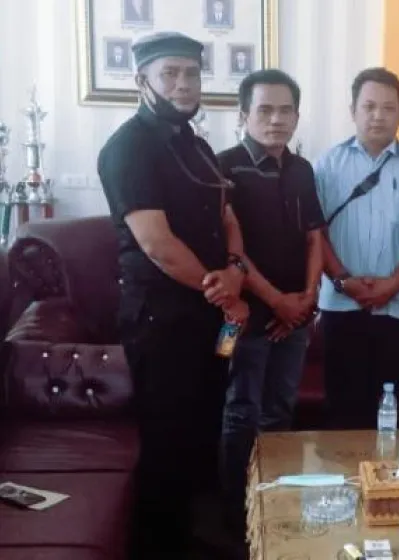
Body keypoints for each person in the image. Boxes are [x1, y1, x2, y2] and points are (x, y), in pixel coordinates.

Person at [96, 32, 250, 559]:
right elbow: (158, 245)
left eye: (191, 73)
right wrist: (225, 293)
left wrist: (235, 269)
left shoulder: (198, 146)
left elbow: (228, 216)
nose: (183, 84)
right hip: (161, 321)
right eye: (170, 74)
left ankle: (199, 537)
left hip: (209, 316)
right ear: (142, 80)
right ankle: (159, 548)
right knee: (167, 441)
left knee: (205, 428)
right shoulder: (127, 148)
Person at [217, 69, 325, 541]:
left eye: (285, 110)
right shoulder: (223, 168)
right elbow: (232, 252)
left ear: (297, 117)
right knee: (240, 411)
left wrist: (308, 298)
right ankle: (233, 515)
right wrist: (277, 301)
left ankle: (273, 506)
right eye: (265, 109)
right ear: (243, 114)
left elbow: (315, 237)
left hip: (294, 315)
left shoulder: (302, 170)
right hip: (243, 317)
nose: (276, 119)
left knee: (280, 410)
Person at [315, 67, 399, 430]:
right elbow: (315, 234)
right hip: (341, 305)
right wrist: (343, 280)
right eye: (369, 106)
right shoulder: (326, 165)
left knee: (398, 411)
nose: (378, 115)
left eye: (388, 108)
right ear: (353, 110)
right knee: (344, 411)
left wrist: (395, 283)